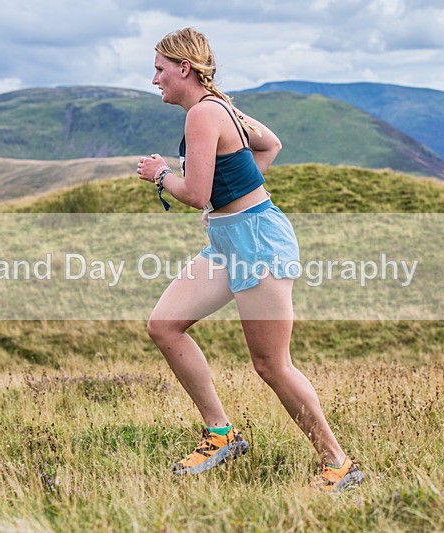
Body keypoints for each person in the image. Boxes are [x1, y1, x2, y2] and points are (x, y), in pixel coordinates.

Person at [136, 27, 363, 492]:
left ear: (184, 68)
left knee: (270, 363)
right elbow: (270, 144)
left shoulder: (203, 113)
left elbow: (194, 191)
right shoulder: (220, 107)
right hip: (228, 239)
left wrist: (160, 173)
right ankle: (221, 434)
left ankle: (338, 462)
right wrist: (227, 203)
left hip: (258, 243)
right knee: (164, 325)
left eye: (159, 69)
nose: (154, 79)